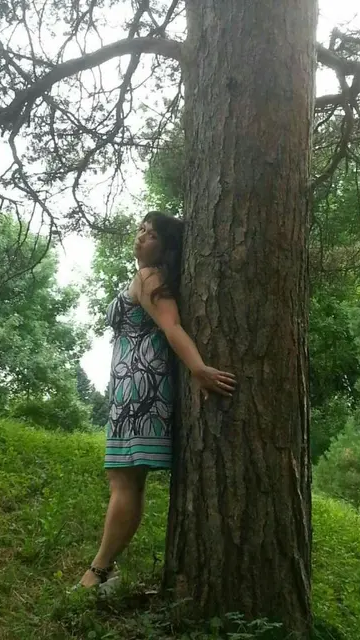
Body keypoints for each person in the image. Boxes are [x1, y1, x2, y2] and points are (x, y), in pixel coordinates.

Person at [78, 211, 237, 589]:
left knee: (124, 481)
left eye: (151, 235)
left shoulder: (149, 277)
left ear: (165, 248)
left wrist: (198, 368)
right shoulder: (147, 276)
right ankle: (104, 569)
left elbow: (171, 325)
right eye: (140, 230)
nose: (140, 237)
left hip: (139, 390)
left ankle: (97, 573)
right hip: (132, 388)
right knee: (127, 482)